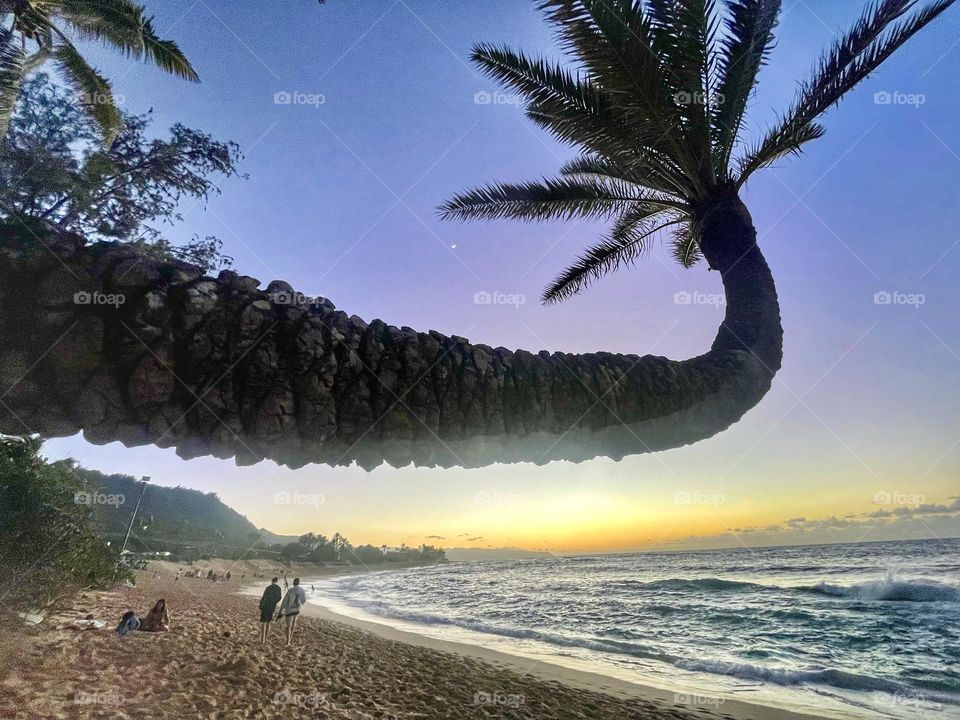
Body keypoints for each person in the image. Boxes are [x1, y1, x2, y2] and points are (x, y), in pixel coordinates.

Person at [279, 577, 306, 645]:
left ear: (294, 582)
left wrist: (281, 609)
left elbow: (285, 600)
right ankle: (290, 636)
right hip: (297, 609)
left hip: (290, 610)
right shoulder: (302, 590)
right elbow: (303, 600)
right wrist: (299, 604)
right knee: (294, 621)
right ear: (299, 583)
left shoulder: (290, 590)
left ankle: (288, 641)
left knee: (288, 626)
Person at [258, 577, 282, 644]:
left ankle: (262, 639)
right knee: (269, 622)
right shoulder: (278, 588)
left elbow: (263, 597)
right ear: (277, 581)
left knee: (264, 622)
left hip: (266, 605)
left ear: (272, 581)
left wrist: (260, 606)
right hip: (272, 606)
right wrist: (274, 602)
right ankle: (265, 638)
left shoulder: (268, 587)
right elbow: (279, 598)